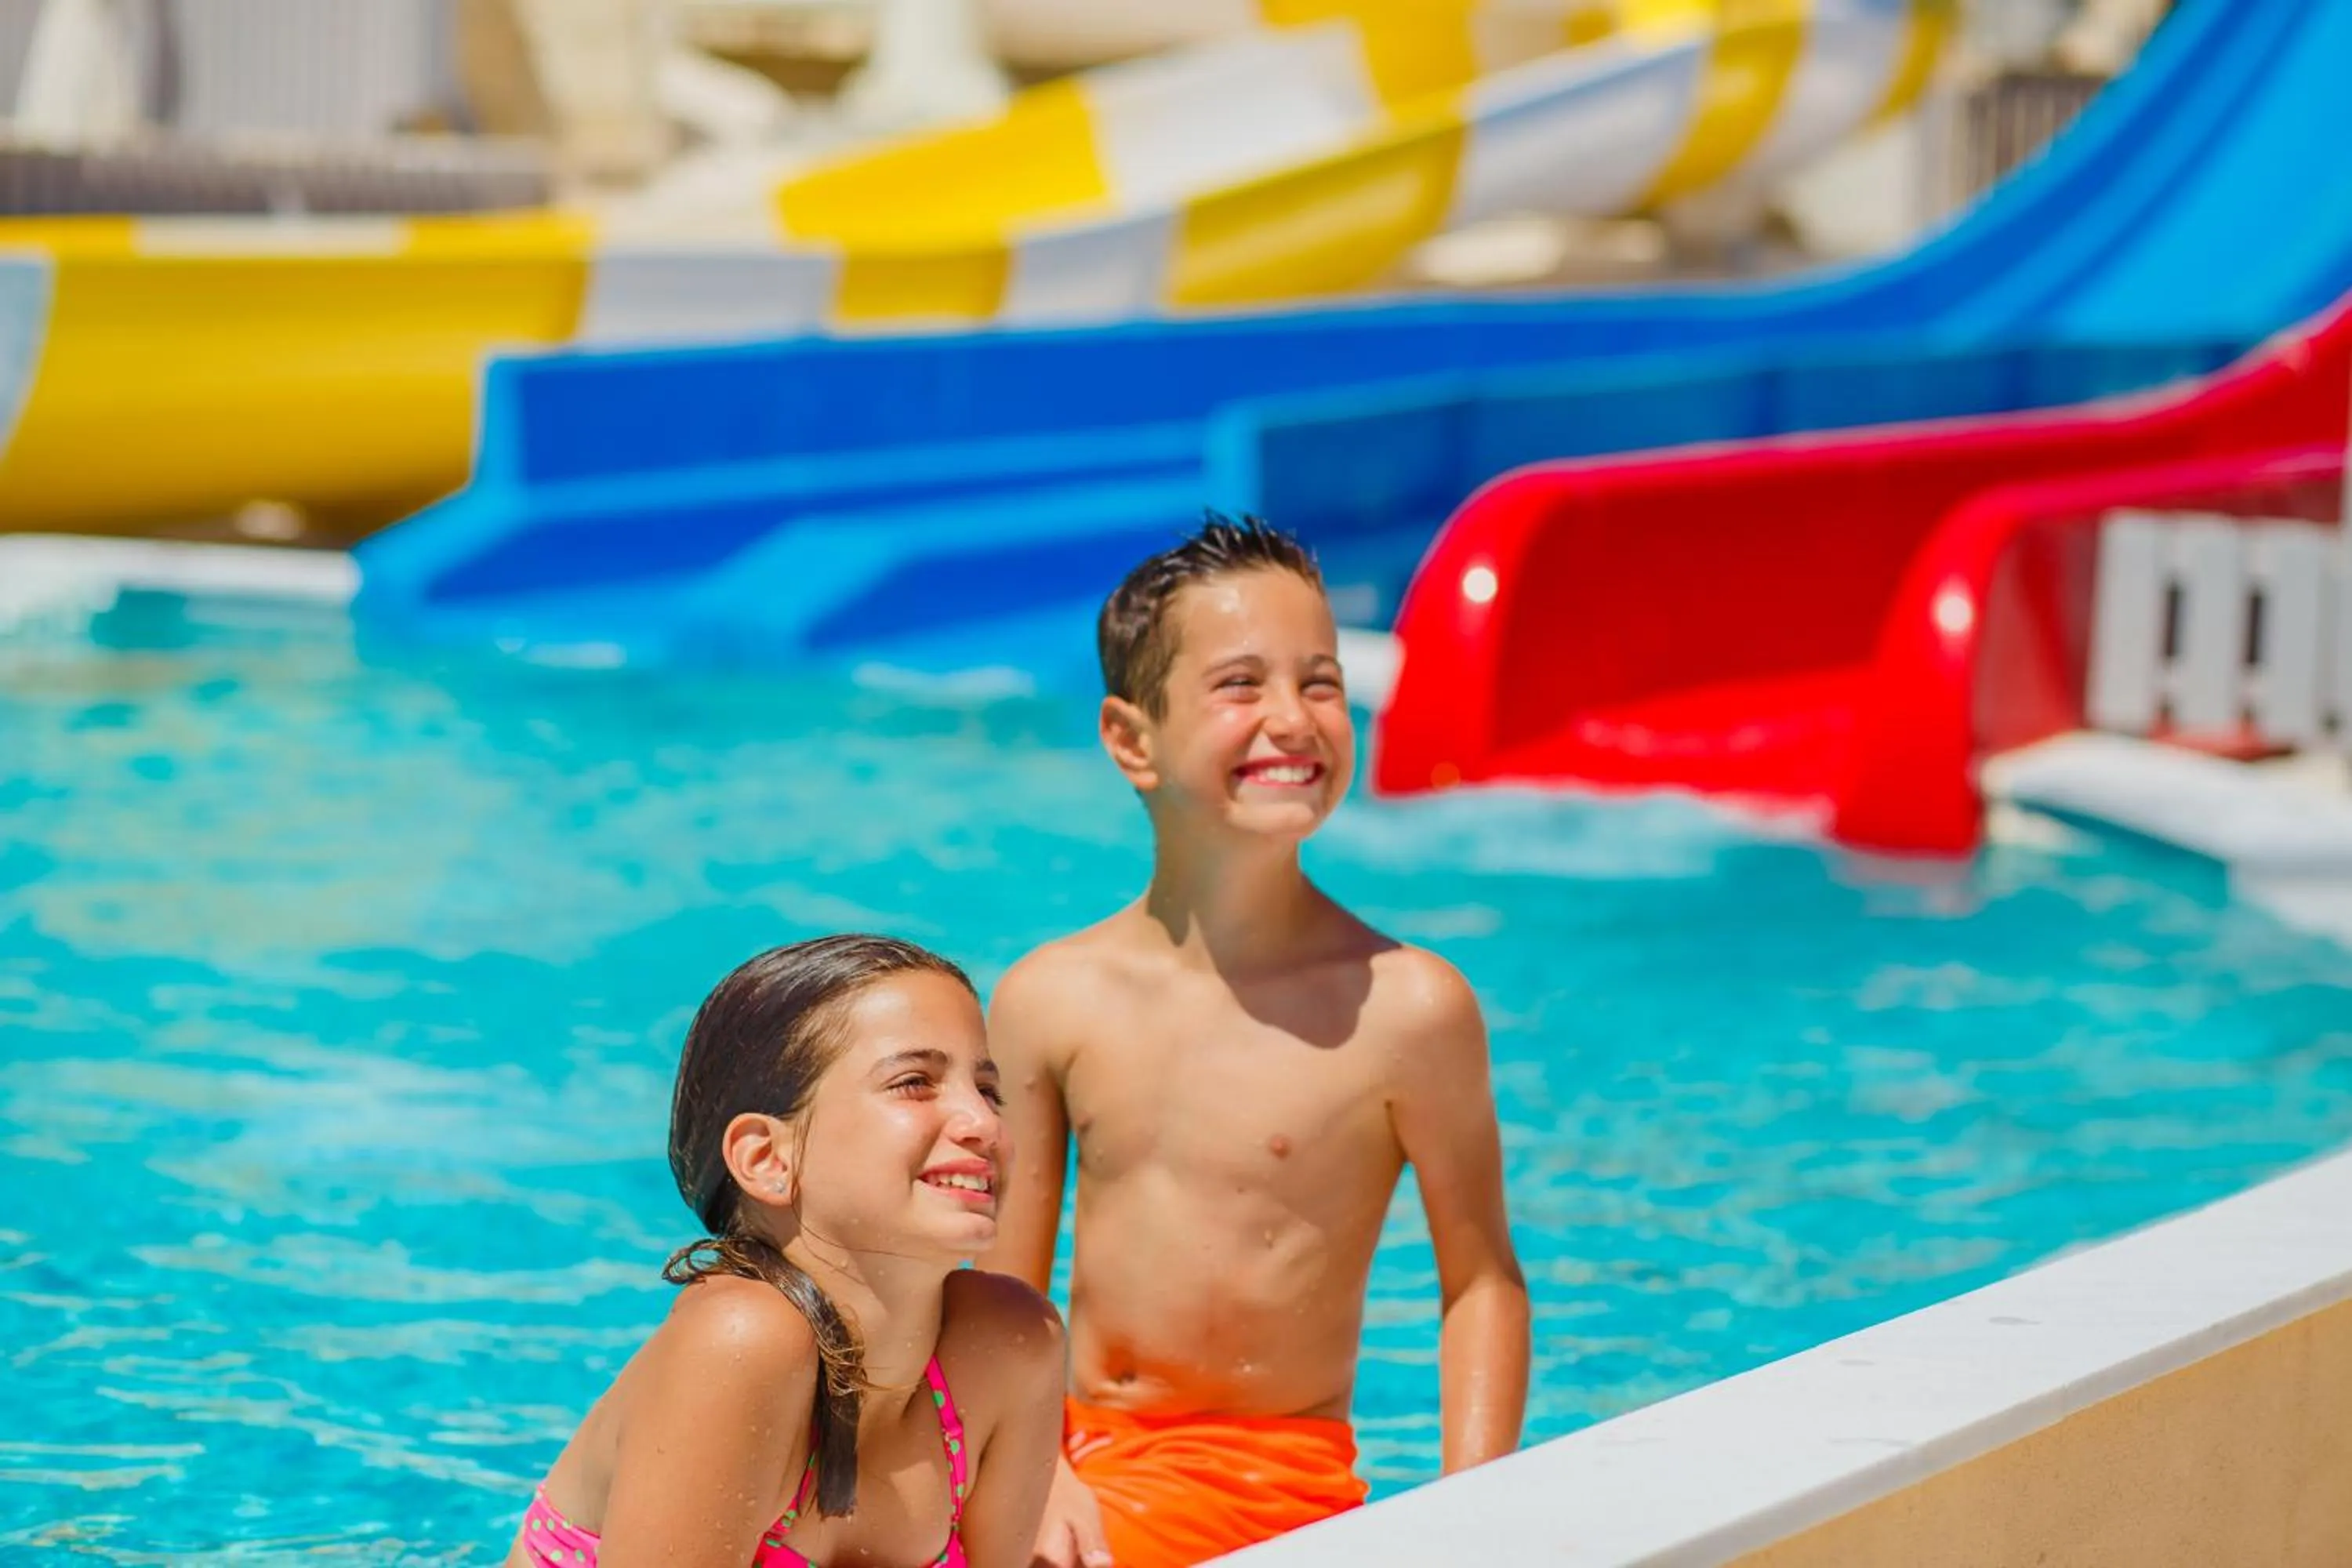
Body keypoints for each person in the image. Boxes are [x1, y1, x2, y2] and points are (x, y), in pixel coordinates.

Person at [978, 515, 1530, 1568]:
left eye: (1321, 681)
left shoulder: (1406, 1009)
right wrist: (1038, 1476)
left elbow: (1483, 1282)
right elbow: (1004, 1298)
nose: (1293, 717)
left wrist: (1472, 1517)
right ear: (1131, 739)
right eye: (1241, 686)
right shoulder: (1051, 999)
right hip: (1061, 1460)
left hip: (1257, 1479)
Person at [510, 935, 1065, 1568]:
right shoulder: (742, 1341)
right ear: (768, 1158)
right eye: (915, 1083)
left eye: (989, 1091)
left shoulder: (1012, 1344)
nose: (984, 1124)